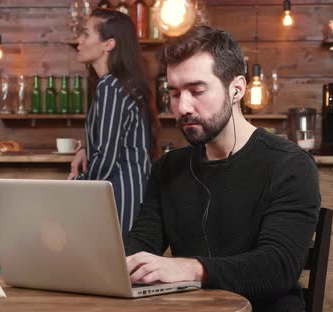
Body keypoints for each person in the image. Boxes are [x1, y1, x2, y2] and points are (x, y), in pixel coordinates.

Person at [124, 25, 320, 311]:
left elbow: (277, 267)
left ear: (237, 89)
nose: (182, 107)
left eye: (197, 90)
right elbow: (141, 244)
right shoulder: (168, 168)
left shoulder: (289, 165)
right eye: (175, 93)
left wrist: (190, 269)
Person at [68, 8, 160, 237]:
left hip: (120, 196)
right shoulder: (121, 84)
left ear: (109, 44)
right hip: (133, 192)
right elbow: (117, 138)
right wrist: (86, 149)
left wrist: (73, 186)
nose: (78, 41)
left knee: (118, 267)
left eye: (86, 34)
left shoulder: (110, 87)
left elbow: (107, 160)